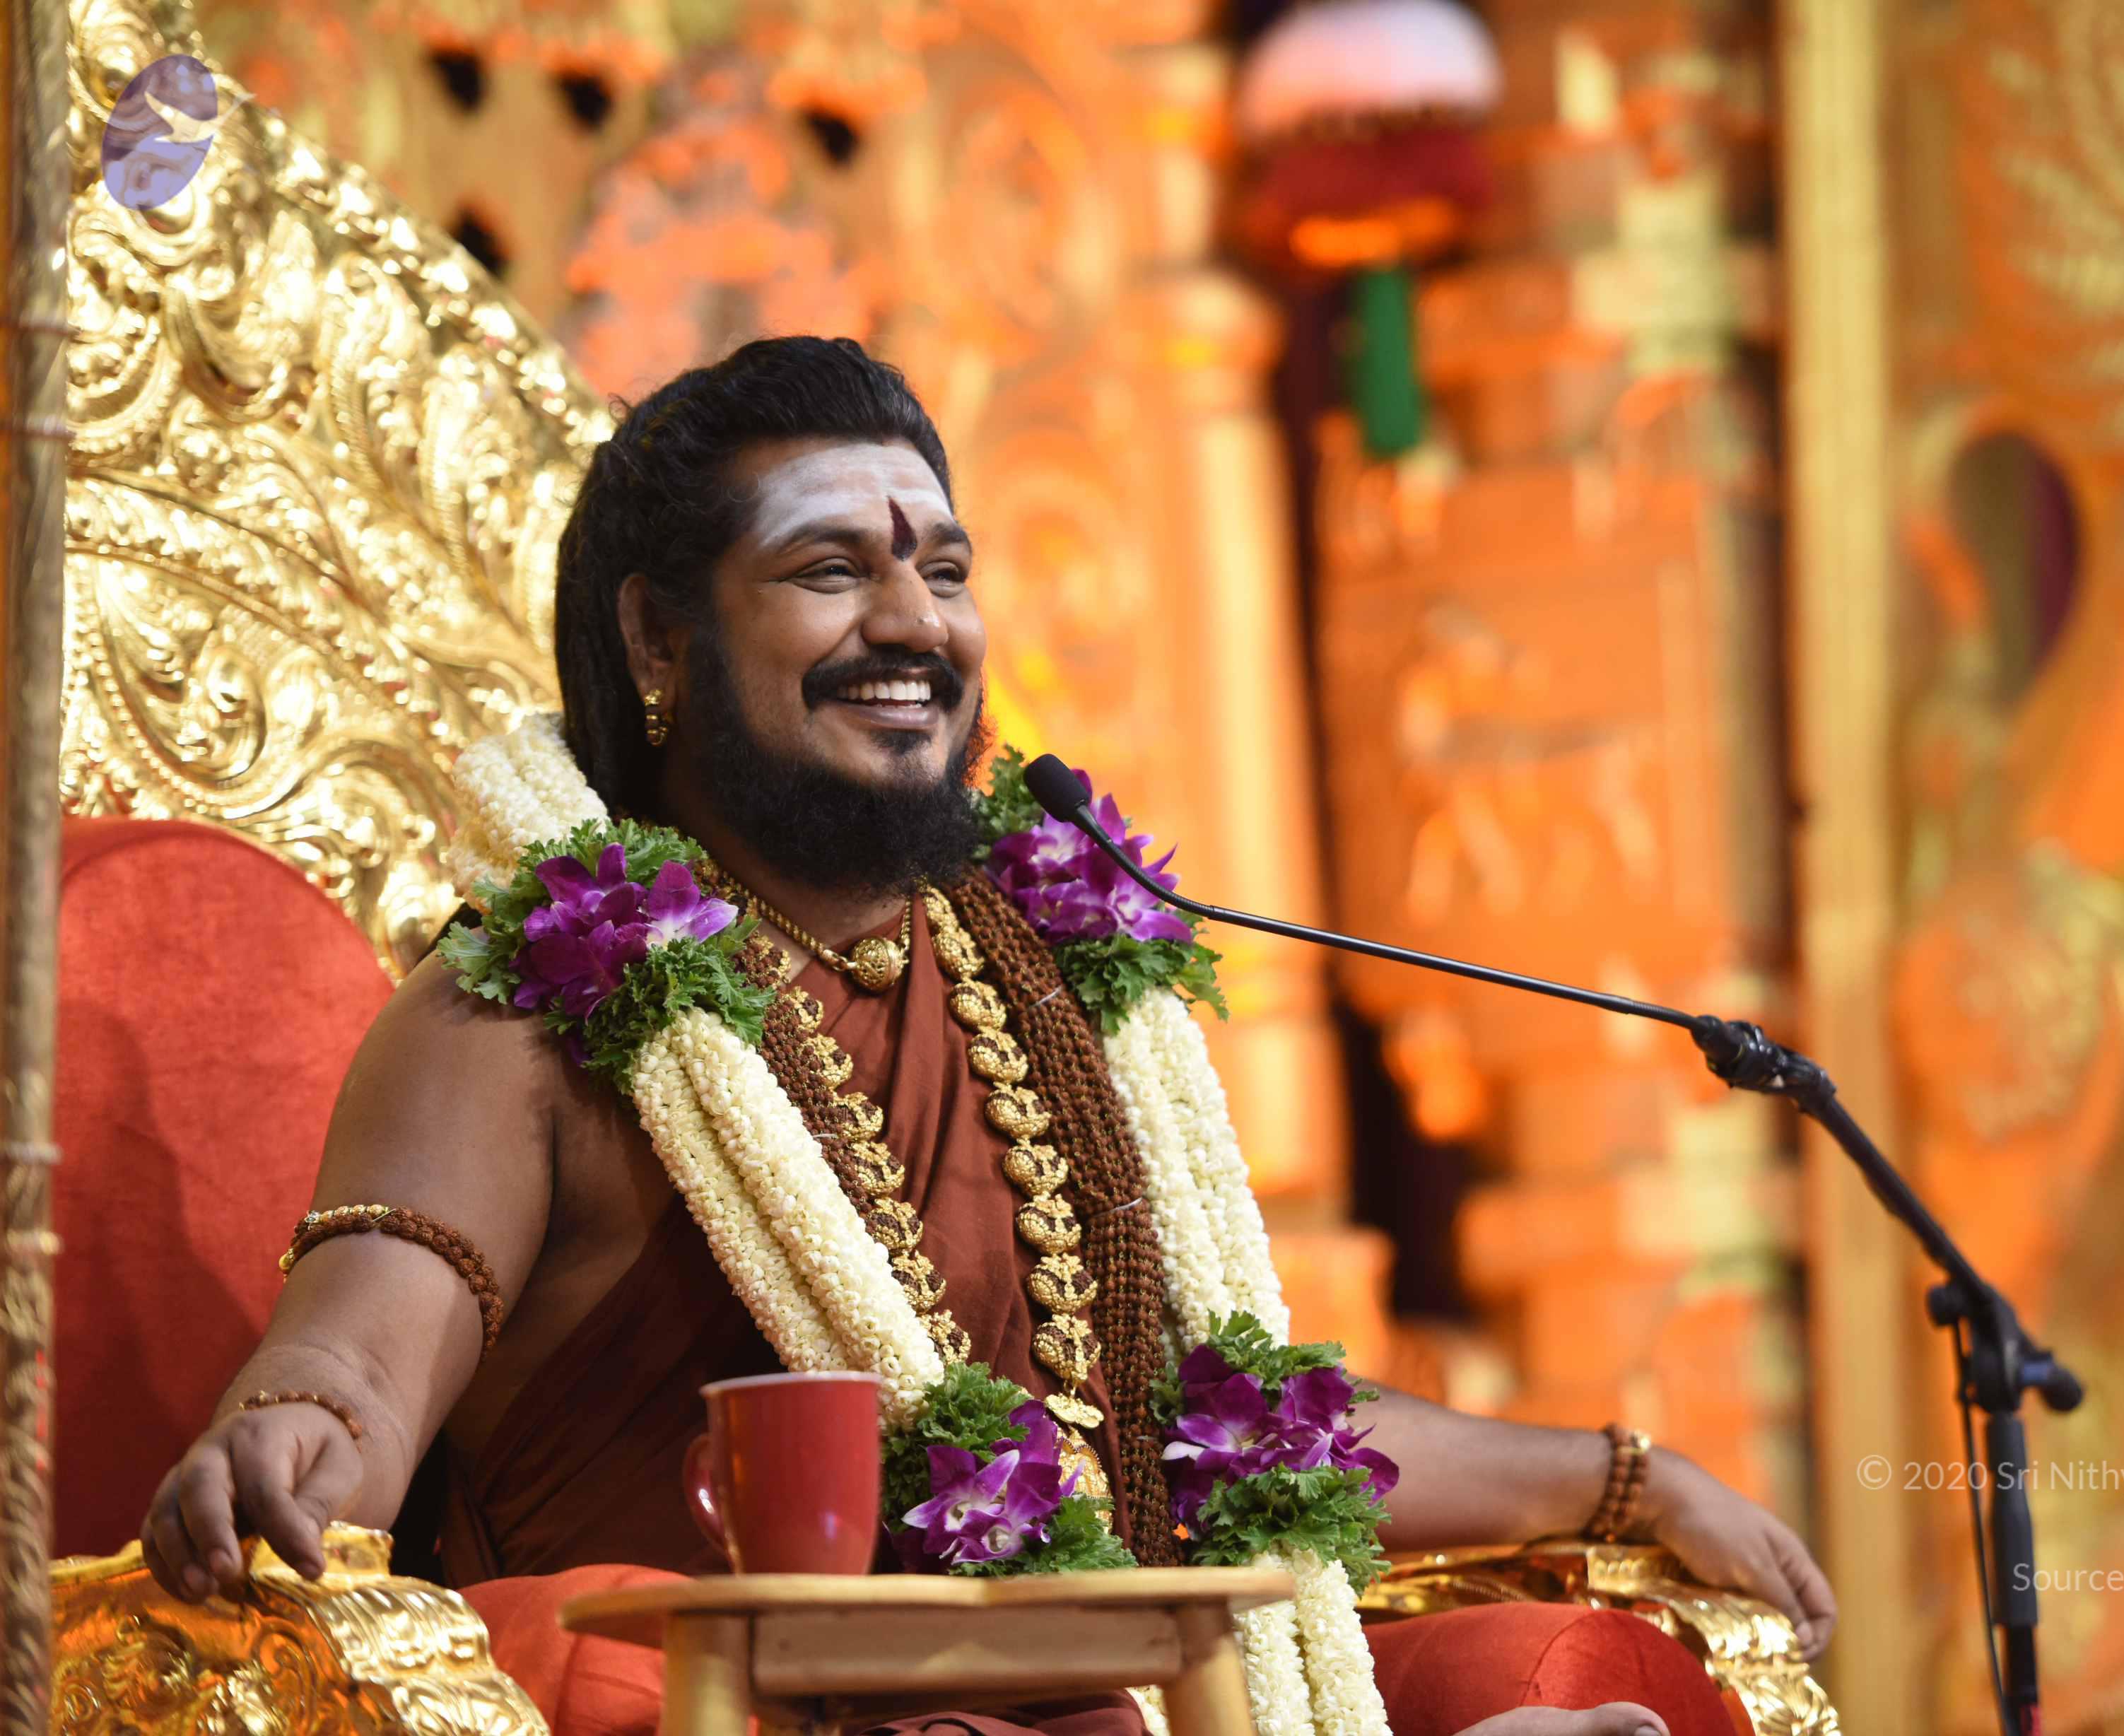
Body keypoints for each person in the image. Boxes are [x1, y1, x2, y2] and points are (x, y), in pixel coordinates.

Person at [136, 336, 1835, 1736]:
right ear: (660, 637)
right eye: (831, 569)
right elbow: (363, 1359)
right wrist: (287, 1431)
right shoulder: (524, 1005)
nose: (916, 623)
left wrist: (1624, 1478)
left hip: (1111, 1689)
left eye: (942, 570)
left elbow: (1218, 1432)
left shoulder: (1047, 983)